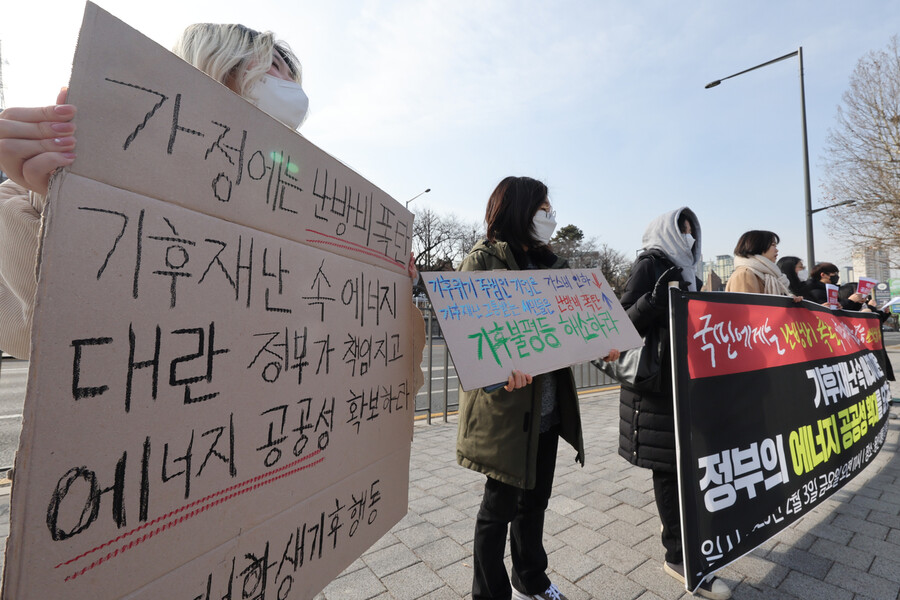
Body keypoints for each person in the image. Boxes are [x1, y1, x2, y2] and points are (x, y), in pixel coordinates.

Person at [457, 176, 618, 600]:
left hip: (546, 411)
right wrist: (499, 371)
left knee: (535, 504)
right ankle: (489, 594)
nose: (549, 216)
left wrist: (605, 343)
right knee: (498, 510)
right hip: (506, 415)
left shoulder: (555, 268)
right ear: (519, 210)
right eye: (542, 208)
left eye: (550, 209)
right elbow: (470, 339)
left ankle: (532, 577)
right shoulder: (482, 262)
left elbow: (573, 330)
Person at [618, 207, 731, 600]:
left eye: (692, 231)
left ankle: (691, 544)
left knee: (689, 467)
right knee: (669, 469)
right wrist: (652, 299)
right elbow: (621, 323)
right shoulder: (650, 264)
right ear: (665, 231)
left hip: (687, 382)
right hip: (656, 387)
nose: (688, 237)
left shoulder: (691, 270)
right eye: (681, 230)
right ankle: (677, 557)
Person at [838, 282, 896, 382]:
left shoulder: (864, 306)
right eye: (860, 294)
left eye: (865, 295)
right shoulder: (841, 306)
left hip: (872, 351)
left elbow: (873, 325)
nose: (863, 297)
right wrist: (870, 309)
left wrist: (883, 314)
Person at [724, 231, 800, 301]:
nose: (776, 250)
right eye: (773, 245)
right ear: (757, 246)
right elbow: (746, 310)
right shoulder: (745, 274)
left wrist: (790, 301)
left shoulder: (767, 275)